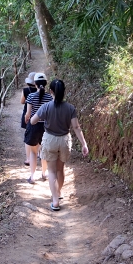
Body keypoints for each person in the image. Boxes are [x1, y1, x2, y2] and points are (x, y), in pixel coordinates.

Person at [31, 79, 89, 211]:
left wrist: (41, 116)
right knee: (60, 169)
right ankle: (59, 192)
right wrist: (84, 144)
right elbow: (76, 127)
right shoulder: (70, 108)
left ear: (51, 91)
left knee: (51, 171)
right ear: (64, 92)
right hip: (64, 140)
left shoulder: (46, 107)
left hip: (50, 140)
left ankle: (55, 200)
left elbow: (33, 121)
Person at [23, 72, 52, 184]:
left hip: (34, 125)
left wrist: (27, 120)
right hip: (46, 126)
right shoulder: (50, 97)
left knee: (33, 152)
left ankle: (33, 176)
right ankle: (44, 174)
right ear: (45, 83)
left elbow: (28, 113)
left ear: (34, 83)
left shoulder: (31, 96)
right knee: (44, 151)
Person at [20, 73, 37, 166]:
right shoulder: (41, 91)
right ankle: (37, 153)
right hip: (38, 115)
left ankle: (29, 157)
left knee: (28, 135)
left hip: (28, 114)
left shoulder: (25, 90)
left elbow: (22, 101)